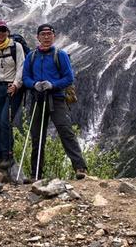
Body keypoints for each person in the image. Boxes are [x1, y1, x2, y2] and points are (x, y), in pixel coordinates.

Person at [22, 24, 88, 180]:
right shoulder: (31, 56)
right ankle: (35, 174)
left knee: (66, 131)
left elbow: (69, 78)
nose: (46, 36)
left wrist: (53, 85)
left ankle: (80, 168)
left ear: (54, 36)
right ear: (37, 37)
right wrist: (34, 85)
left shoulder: (61, 55)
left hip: (57, 98)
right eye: (43, 34)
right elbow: (25, 78)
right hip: (38, 99)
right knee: (37, 137)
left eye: (49, 34)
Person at [0, 20, 25, 169]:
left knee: (5, 121)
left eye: (3, 30)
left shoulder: (16, 47)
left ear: (7, 32)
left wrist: (15, 84)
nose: (0, 33)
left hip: (12, 87)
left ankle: (8, 156)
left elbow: (21, 66)